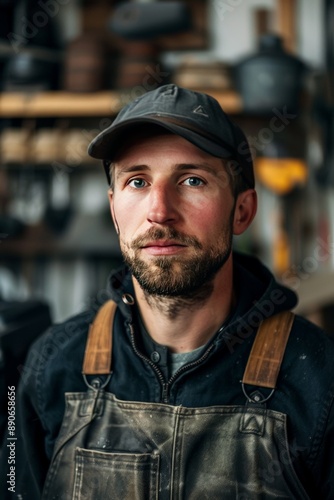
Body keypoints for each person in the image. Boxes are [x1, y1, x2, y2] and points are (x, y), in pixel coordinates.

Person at [14, 84, 334, 499]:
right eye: (137, 182)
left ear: (242, 211)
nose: (160, 211)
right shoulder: (52, 367)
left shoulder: (318, 380)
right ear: (114, 210)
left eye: (192, 180)